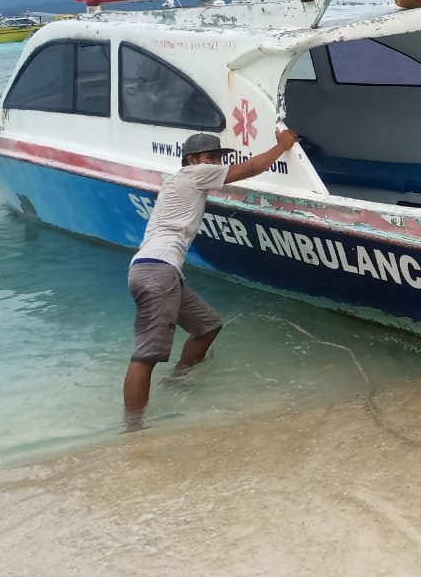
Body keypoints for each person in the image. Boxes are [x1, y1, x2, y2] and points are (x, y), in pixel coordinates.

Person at [124, 127, 298, 430]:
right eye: (210, 157)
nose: (216, 162)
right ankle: (133, 429)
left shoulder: (182, 181)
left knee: (207, 326)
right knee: (146, 355)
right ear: (192, 160)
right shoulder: (194, 174)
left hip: (157, 270)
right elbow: (252, 168)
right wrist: (281, 145)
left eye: (218, 157)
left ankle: (177, 381)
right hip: (158, 270)